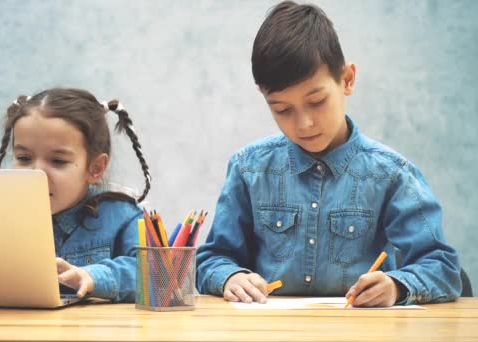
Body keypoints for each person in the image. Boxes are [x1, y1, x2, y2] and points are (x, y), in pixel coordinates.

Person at [196, 1, 461, 307]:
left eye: (317, 101)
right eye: (282, 110)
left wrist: (397, 286)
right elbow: (213, 258)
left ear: (347, 79)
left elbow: (442, 267)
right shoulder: (249, 169)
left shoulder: (391, 174)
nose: (304, 123)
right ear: (264, 97)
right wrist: (230, 277)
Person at [0, 88, 151, 303]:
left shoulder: (123, 217)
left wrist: (93, 276)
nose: (36, 172)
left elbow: (155, 274)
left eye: (57, 161)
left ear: (96, 168)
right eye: (23, 157)